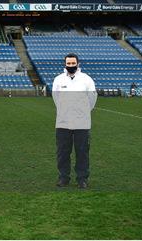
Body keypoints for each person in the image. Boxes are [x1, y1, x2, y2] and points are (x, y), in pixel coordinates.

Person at [52, 53, 97, 189]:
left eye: (73, 63)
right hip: (63, 123)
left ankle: (82, 179)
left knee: (82, 152)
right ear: (65, 64)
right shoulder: (58, 80)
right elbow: (56, 98)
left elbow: (92, 99)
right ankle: (63, 178)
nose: (71, 65)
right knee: (63, 152)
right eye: (68, 63)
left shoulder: (87, 79)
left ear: (78, 64)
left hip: (82, 123)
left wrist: (82, 112)